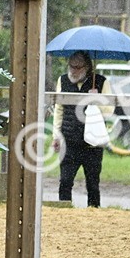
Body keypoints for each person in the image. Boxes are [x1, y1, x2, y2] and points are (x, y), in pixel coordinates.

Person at [52, 51, 113, 207]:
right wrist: (56, 135)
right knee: (65, 181)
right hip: (69, 141)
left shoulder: (101, 82)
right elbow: (59, 109)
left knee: (92, 184)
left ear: (87, 67)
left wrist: (97, 99)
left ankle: (94, 213)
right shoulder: (62, 80)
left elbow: (109, 111)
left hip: (92, 144)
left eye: (78, 67)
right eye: (71, 66)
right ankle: (64, 212)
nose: (73, 70)